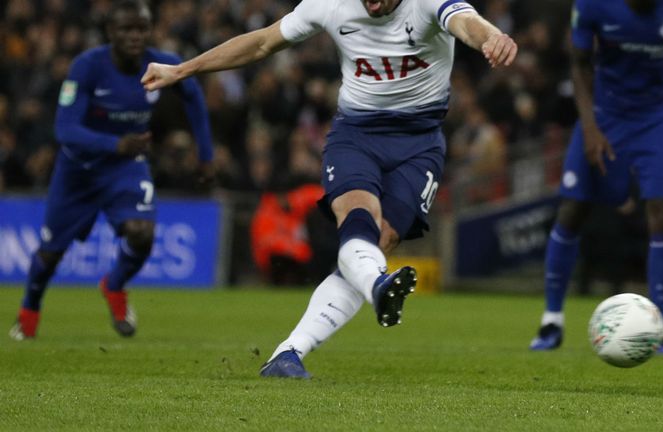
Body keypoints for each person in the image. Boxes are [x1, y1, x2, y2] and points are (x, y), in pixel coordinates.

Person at [142, 0, 517, 378]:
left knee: (381, 240)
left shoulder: (427, 3)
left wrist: (492, 37)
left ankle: (288, 353)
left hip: (419, 144)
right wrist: (183, 69)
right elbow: (262, 42)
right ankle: (376, 285)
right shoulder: (330, 3)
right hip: (357, 135)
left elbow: (466, 23)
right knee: (359, 220)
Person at [9, 0, 213, 340]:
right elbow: (65, 129)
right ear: (110, 32)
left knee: (142, 233)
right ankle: (29, 312)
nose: (135, 36)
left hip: (126, 167)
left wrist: (205, 155)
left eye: (142, 29)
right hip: (79, 170)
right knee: (50, 254)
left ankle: (114, 284)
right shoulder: (87, 67)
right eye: (126, 29)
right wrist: (115, 144)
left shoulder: (161, 63)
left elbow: (192, 94)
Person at [530, 0, 663, 355]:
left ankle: (658, 330)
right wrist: (589, 126)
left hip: (659, 115)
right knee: (573, 209)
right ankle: (552, 321)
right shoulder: (593, 4)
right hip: (605, 112)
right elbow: (579, 63)